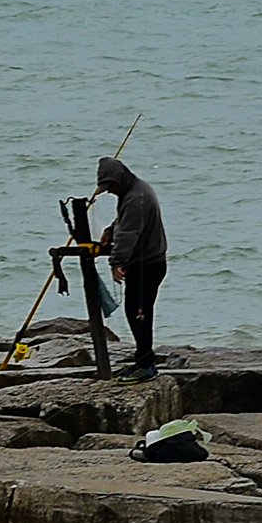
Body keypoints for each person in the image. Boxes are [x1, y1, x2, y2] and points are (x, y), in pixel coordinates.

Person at [95, 156, 167, 373]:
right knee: (135, 311)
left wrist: (116, 262)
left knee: (140, 314)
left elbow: (129, 233)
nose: (110, 191)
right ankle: (143, 360)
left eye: (111, 186)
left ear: (120, 179)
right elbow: (122, 221)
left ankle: (146, 365)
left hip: (148, 265)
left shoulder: (137, 197)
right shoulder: (134, 192)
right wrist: (109, 231)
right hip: (145, 263)